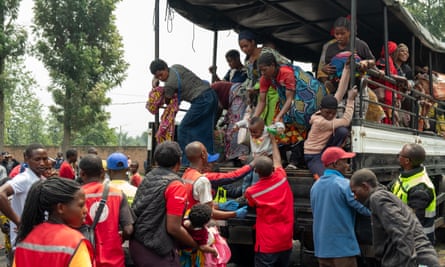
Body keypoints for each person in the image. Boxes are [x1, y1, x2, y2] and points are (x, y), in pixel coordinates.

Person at [350, 169, 440, 267]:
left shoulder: (377, 198)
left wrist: (407, 263)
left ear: (365, 186)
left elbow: (402, 231)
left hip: (417, 260)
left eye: (354, 191)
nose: (354, 196)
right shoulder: (382, 196)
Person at [130, 141, 198, 266]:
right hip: (156, 250)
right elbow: (173, 228)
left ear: (156, 161)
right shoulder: (175, 185)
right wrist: (194, 244)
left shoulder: (148, 177)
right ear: (179, 161)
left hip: (138, 244)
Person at [150, 59, 218, 166]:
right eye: (157, 77)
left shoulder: (169, 84)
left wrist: (155, 86)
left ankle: (186, 162)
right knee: (205, 129)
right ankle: (208, 159)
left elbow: (167, 100)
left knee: (184, 129)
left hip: (201, 100)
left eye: (161, 75)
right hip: (211, 95)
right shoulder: (176, 67)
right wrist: (157, 77)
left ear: (165, 68)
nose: (161, 78)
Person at [310, 147, 370, 267]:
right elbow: (363, 210)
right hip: (342, 250)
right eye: (345, 162)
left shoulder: (315, 186)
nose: (347, 166)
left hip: (322, 249)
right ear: (335, 164)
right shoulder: (344, 184)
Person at [13, 178, 94, 267]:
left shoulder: (24, 239)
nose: (86, 210)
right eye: (81, 205)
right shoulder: (74, 242)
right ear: (61, 208)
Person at [245, 133, 294, 267]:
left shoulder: (252, 192)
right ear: (272, 168)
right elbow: (278, 160)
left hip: (267, 243)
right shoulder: (282, 177)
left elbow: (250, 205)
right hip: (285, 239)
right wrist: (273, 140)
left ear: (255, 172)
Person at [79, 154, 134, 267]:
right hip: (114, 260)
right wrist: (119, 239)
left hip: (85, 259)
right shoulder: (117, 194)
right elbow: (128, 230)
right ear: (103, 173)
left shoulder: (75, 196)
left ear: (82, 174)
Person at [304, 74, 358, 179]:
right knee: (324, 178)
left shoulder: (328, 110)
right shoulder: (321, 122)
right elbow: (346, 121)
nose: (330, 116)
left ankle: (332, 157)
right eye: (327, 112)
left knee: (342, 131)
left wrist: (346, 70)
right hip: (313, 156)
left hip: (323, 150)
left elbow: (340, 92)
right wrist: (351, 100)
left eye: (333, 113)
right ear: (321, 109)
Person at [182, 141, 248, 219]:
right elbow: (209, 212)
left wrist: (219, 205)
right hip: (198, 222)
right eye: (206, 152)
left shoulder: (186, 174)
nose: (214, 165)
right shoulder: (203, 180)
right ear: (203, 155)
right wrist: (234, 214)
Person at [0, 144, 48, 247]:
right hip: (24, 241)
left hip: (37, 238)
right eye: (37, 159)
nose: (42, 163)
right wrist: (19, 222)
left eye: (45, 159)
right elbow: (1, 194)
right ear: (26, 159)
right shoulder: (24, 178)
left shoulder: (42, 179)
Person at [389, 143, 436, 244]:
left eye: (400, 155)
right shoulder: (406, 176)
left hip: (418, 243)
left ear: (407, 161)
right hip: (405, 238)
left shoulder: (420, 188)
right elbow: (389, 190)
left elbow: (413, 220)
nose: (398, 157)